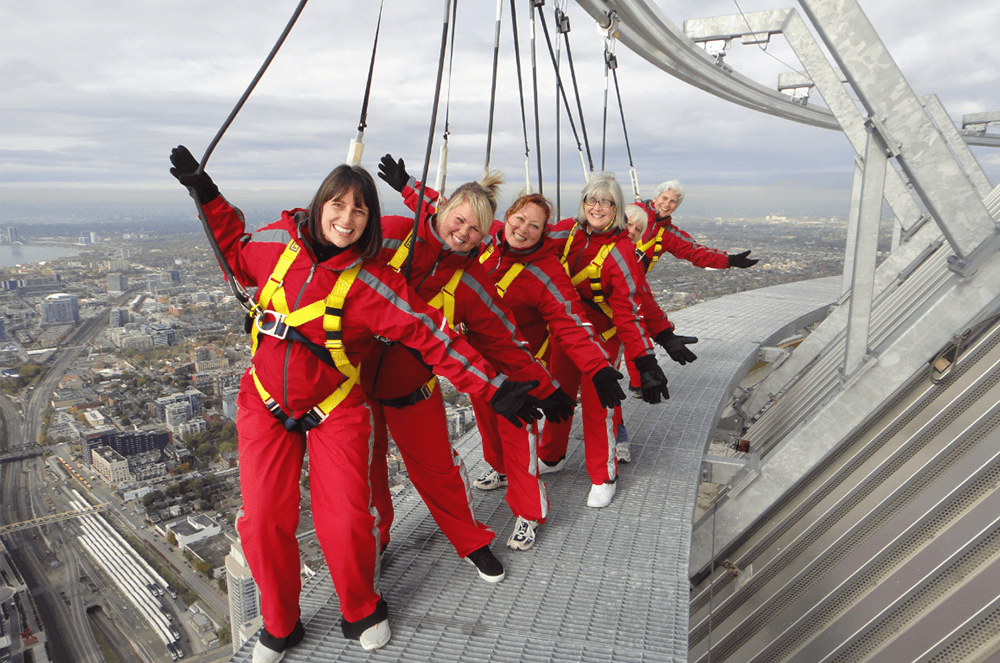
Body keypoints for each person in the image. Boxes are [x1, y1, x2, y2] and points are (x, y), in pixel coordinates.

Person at [169, 146, 539, 660]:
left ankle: (362, 607)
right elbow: (233, 247)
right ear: (320, 204)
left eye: (359, 209)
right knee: (262, 520)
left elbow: (433, 335)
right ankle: (279, 624)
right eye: (338, 205)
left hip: (339, 402)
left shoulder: (374, 281)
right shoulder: (279, 247)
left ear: (369, 222)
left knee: (345, 517)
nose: (346, 217)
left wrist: (493, 388)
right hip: (266, 401)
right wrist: (207, 195)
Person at [362, 163, 575, 563]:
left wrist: (547, 387)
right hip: (373, 376)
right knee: (366, 471)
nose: (464, 233)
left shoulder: (480, 274)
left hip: (441, 375)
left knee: (467, 455)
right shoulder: (395, 236)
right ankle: (378, 538)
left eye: (475, 229)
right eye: (459, 221)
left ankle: (500, 527)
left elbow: (507, 337)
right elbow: (429, 211)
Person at [537, 172, 682, 508]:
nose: (597, 207)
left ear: (616, 208)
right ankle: (552, 455)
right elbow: (524, 237)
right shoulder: (567, 233)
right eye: (592, 199)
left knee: (597, 403)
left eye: (606, 201)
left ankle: (604, 474)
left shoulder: (621, 252)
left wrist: (645, 361)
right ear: (583, 203)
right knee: (558, 393)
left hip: (603, 339)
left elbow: (629, 310)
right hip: (567, 333)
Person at [636, 180, 759, 273]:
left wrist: (730, 260)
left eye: (672, 201)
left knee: (651, 308)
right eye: (664, 198)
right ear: (655, 198)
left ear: (676, 207)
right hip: (617, 276)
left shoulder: (669, 235)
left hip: (631, 283)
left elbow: (696, 252)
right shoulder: (632, 213)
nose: (667, 204)